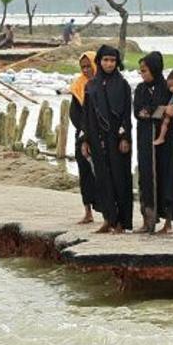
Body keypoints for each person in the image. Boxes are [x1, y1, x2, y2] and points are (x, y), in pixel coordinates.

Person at [82, 44, 133, 233]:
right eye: (105, 60)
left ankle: (121, 222)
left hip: (116, 137)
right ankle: (108, 219)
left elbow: (126, 114)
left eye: (112, 60)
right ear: (99, 61)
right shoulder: (91, 85)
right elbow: (87, 115)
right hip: (97, 137)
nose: (109, 64)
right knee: (102, 179)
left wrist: (125, 137)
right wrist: (86, 140)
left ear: (117, 62)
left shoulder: (123, 85)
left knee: (120, 178)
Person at [134, 52, 173, 233]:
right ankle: (148, 220)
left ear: (154, 69)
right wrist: (162, 110)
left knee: (168, 179)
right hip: (146, 141)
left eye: (145, 70)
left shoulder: (167, 87)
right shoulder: (140, 89)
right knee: (146, 179)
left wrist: (155, 111)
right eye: (141, 71)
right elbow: (138, 111)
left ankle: (168, 222)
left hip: (167, 143)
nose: (143, 74)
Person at [67, 51, 98, 224]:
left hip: (101, 135)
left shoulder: (102, 84)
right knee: (85, 173)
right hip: (82, 134)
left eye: (89, 66)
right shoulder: (78, 86)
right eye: (83, 67)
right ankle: (87, 212)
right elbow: (74, 113)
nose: (86, 70)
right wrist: (85, 130)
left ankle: (107, 212)